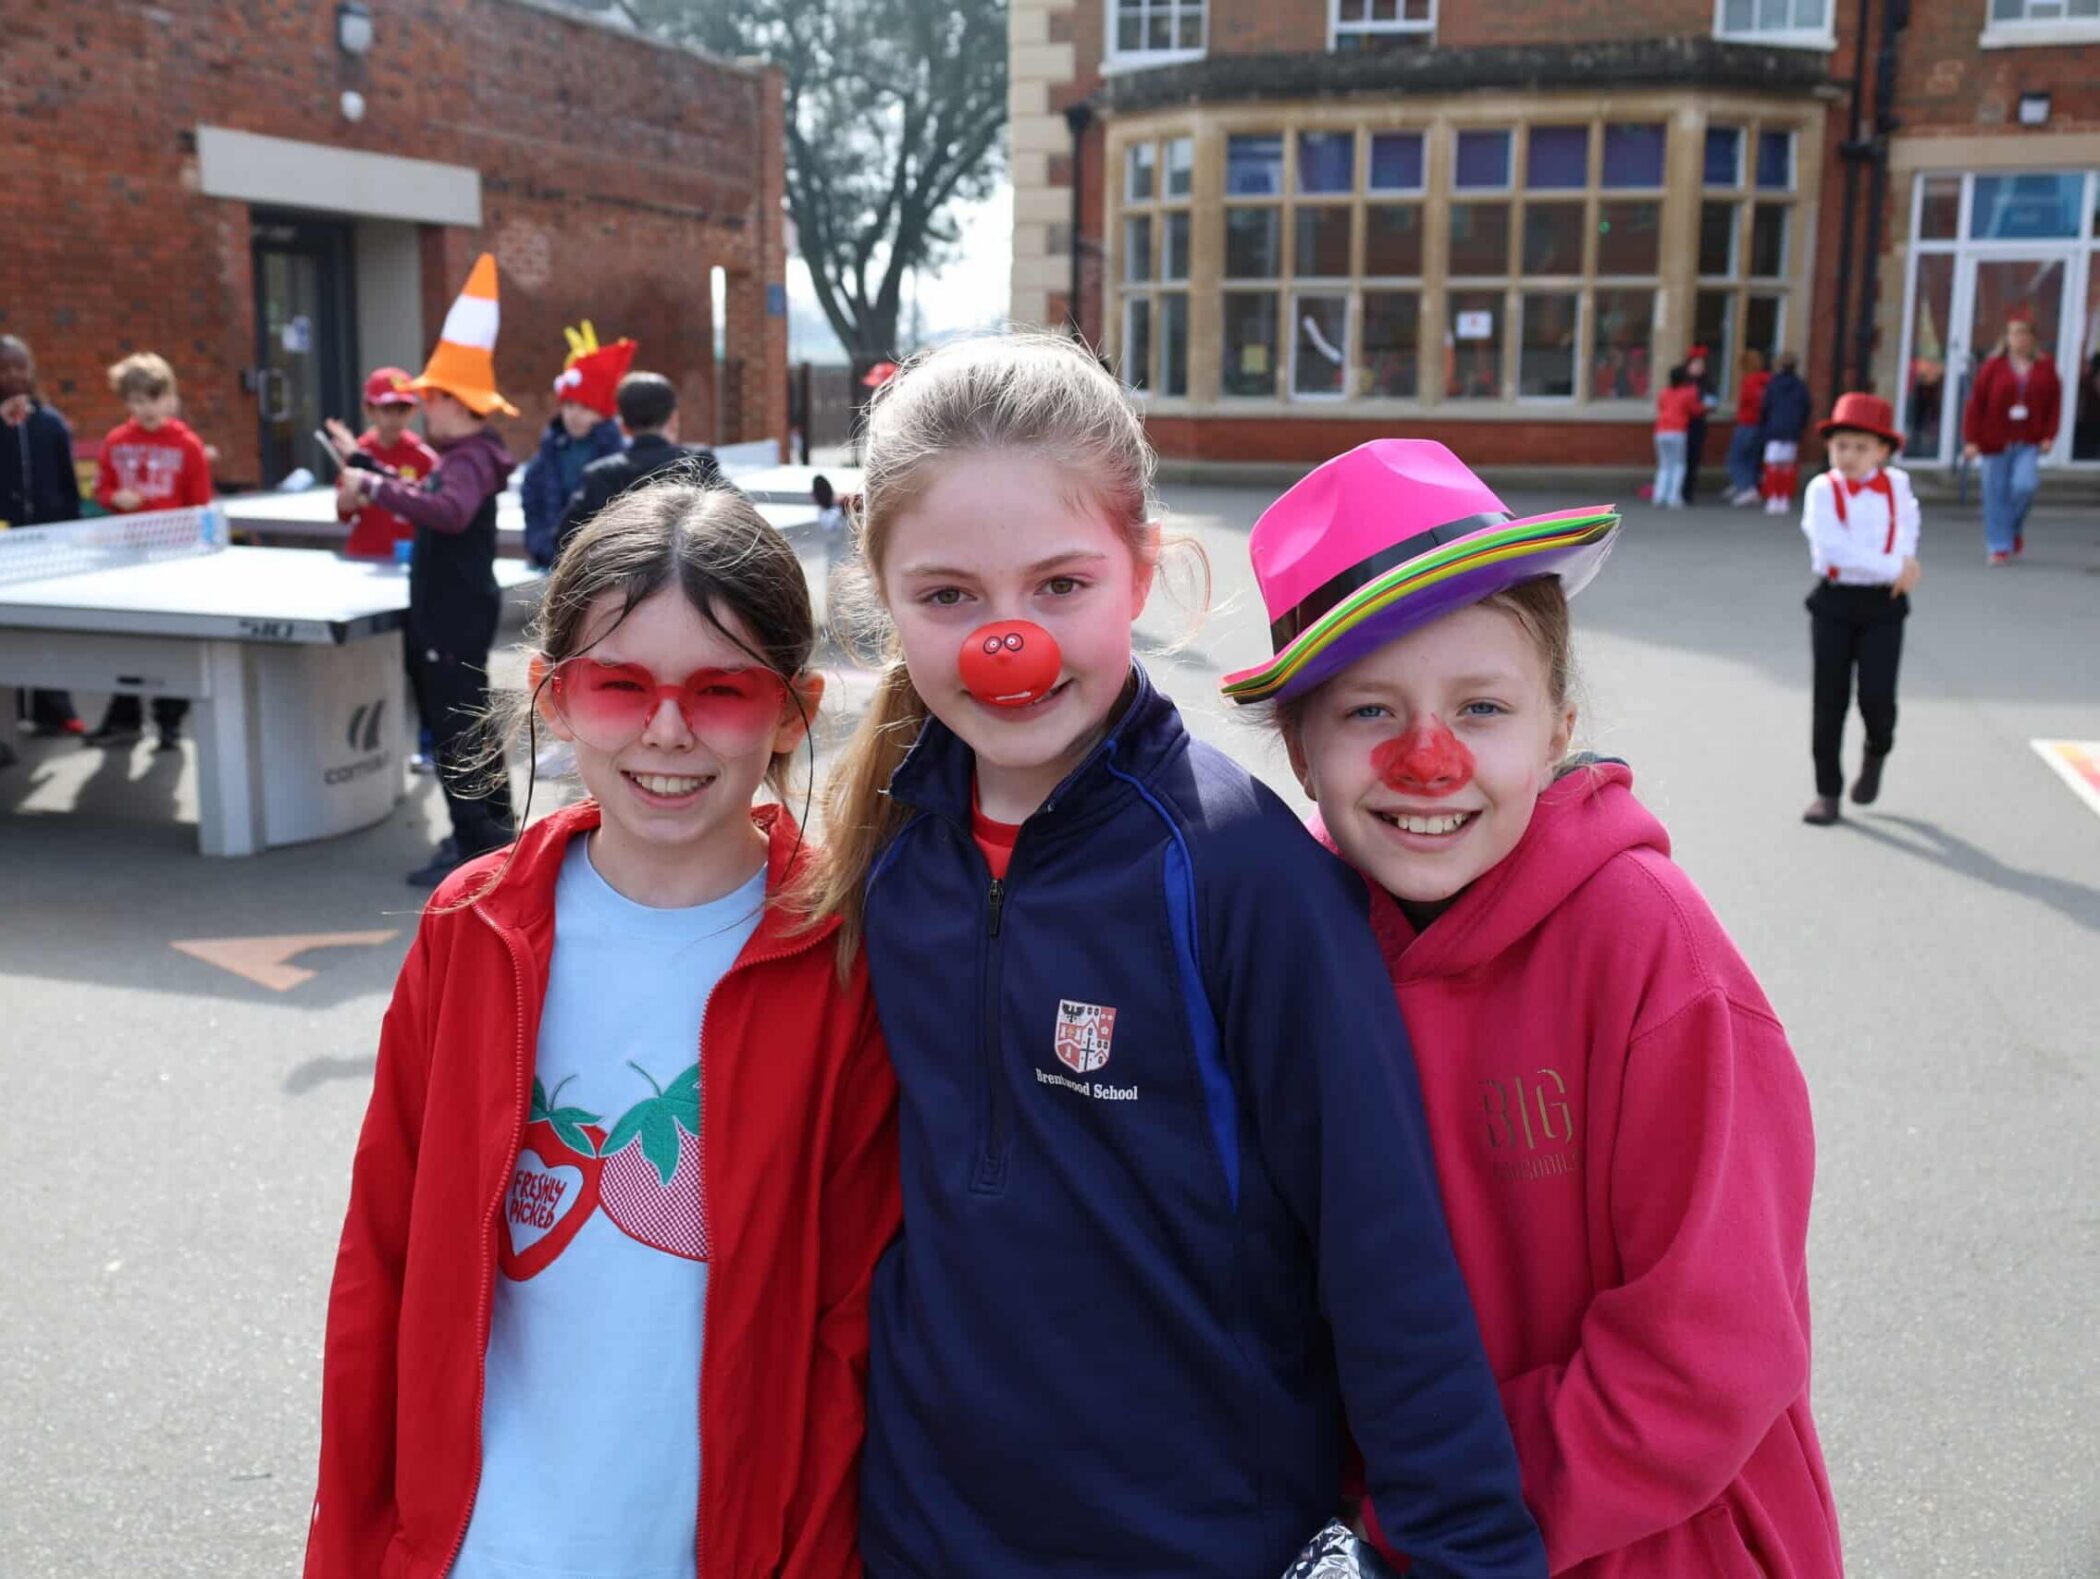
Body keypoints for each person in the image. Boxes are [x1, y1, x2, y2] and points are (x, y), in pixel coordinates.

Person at [804, 335, 1543, 1576]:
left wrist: (1469, 1555)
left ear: (1142, 570)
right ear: (883, 596)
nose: (1010, 643)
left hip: (1196, 1540)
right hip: (925, 1535)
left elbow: (1386, 1260)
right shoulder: (887, 857)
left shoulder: (1242, 875)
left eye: (1060, 585)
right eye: (948, 598)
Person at [1227, 438, 1843, 1578]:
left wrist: (1431, 1506)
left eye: (1482, 707)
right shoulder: (1288, 946)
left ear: (1558, 726)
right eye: (1369, 712)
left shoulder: (1651, 947)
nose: (1428, 760)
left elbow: (1711, 1347)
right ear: (1300, 754)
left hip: (1647, 1543)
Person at [306, 480, 898, 1579]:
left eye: (721, 690)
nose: (667, 729)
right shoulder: (472, 927)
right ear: (554, 695)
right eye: (621, 684)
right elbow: (379, 1273)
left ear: (793, 710)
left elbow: (850, 1331)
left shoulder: (846, 957)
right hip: (478, 1548)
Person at [334, 254, 519, 885]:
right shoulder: (469, 452)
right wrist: (371, 471)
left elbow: (446, 509)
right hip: (459, 608)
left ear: (453, 403)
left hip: (451, 613)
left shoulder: (465, 459)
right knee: (471, 722)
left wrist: (376, 487)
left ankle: (470, 843)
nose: (421, 411)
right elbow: (434, 497)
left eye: (428, 400)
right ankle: (494, 831)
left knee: (456, 730)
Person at [1799, 393, 1920, 828]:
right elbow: (1833, 550)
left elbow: (1908, 522)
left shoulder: (1898, 486)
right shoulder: (1821, 490)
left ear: (1883, 451)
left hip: (1884, 604)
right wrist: (1898, 568)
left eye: (1860, 447)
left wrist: (1906, 556)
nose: (1848, 456)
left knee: (1877, 698)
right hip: (1835, 601)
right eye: (1840, 446)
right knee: (1829, 700)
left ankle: (1876, 751)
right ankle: (1827, 791)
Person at [88, 351, 213, 749]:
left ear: (169, 397)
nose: (144, 409)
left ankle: (170, 721)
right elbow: (101, 489)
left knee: (171, 640)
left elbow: (199, 507)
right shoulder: (116, 441)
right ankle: (124, 716)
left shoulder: (187, 445)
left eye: (151, 398)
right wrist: (114, 497)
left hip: (172, 560)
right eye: (136, 401)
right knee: (125, 637)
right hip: (127, 557)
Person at [0, 334, 86, 739]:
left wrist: (72, 531)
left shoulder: (49, 422)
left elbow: (68, 486)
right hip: (6, 541)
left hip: (48, 540)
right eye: (5, 368)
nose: (14, 375)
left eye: (20, 366)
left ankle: (53, 707)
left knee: (47, 626)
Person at [555, 370, 720, 559]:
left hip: (619, 581)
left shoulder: (601, 473)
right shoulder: (698, 460)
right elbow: (737, 518)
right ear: (674, 419)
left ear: (622, 425)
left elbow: (565, 540)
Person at [520, 322, 631, 568]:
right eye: (569, 406)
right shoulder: (549, 452)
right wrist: (540, 546)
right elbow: (532, 502)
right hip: (551, 564)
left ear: (601, 412)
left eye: (584, 407)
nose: (574, 415)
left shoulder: (617, 454)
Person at [1962, 309, 2060, 564]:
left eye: (2025, 333)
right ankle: (1999, 545)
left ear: (2033, 338)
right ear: (2006, 337)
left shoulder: (2045, 368)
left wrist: (2049, 435)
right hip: (1994, 441)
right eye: (2015, 333)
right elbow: (1976, 405)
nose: (2020, 338)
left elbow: (2054, 404)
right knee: (1994, 495)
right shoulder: (1992, 367)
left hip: (2028, 441)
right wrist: (1972, 440)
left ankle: (2013, 529)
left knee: (2024, 486)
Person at [324, 368, 439, 559]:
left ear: (414, 411)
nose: (394, 418)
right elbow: (344, 514)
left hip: (411, 558)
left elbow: (436, 512)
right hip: (364, 557)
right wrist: (355, 494)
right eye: (387, 409)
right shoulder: (357, 453)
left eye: (402, 409)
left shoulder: (424, 457)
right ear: (369, 409)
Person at [1759, 351, 1813, 515]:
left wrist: (1765, 424)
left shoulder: (1773, 384)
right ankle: (1784, 498)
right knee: (1788, 466)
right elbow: (1806, 408)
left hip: (1774, 428)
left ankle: (1772, 498)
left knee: (1772, 465)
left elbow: (1765, 406)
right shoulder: (1800, 385)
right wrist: (1801, 425)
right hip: (1792, 429)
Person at [1671, 344, 1719, 504]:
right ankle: (1675, 491)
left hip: (1697, 424)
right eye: (1695, 364)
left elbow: (1712, 403)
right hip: (1681, 424)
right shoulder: (1681, 383)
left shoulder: (1707, 383)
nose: (1698, 368)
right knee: (1678, 459)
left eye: (1701, 365)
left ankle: (1687, 492)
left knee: (1692, 459)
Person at [1726, 347, 1771, 504]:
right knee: (1752, 459)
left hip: (1746, 424)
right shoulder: (1768, 380)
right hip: (1761, 425)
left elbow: (1746, 402)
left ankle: (1746, 487)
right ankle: (1749, 485)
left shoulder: (1749, 381)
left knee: (1736, 459)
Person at [1651, 368, 1700, 509]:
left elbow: (1660, 407)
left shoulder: (1664, 392)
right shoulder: (1687, 393)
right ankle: (1674, 497)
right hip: (1677, 430)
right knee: (1678, 464)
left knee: (1664, 465)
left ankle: (1659, 496)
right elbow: (1695, 410)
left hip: (1661, 430)